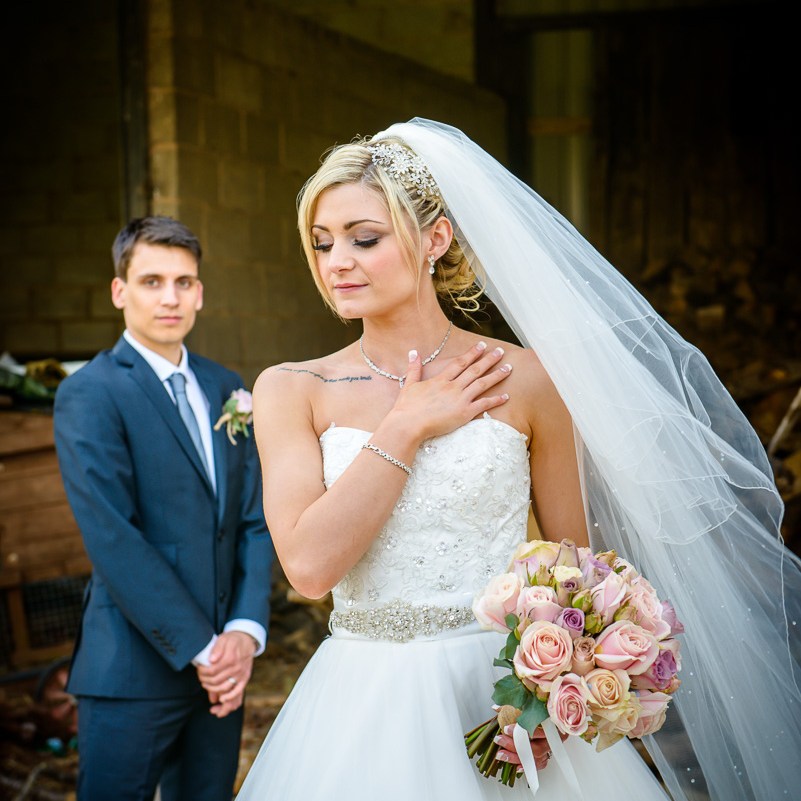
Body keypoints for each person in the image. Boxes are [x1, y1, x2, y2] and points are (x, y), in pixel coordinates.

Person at [236, 120, 801, 801]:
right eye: (321, 243)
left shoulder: (529, 380)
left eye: (365, 237)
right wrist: (406, 424)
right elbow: (308, 567)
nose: (337, 262)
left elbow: (576, 572)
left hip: (501, 699)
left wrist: (552, 696)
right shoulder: (292, 388)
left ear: (434, 240)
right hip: (362, 705)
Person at [53, 216, 274, 801]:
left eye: (184, 282)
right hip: (132, 673)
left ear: (200, 292)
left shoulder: (227, 386)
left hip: (225, 675)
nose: (170, 297)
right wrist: (206, 651)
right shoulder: (91, 392)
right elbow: (112, 536)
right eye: (152, 281)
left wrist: (245, 636)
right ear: (120, 291)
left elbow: (253, 519)